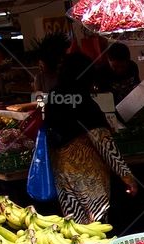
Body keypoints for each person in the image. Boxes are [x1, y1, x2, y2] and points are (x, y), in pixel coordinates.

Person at [43, 53, 137, 224]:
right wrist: (127, 176)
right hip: (86, 171)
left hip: (61, 169)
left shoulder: (53, 96)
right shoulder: (84, 102)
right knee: (96, 222)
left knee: (75, 223)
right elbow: (103, 142)